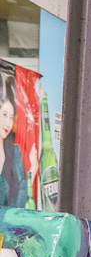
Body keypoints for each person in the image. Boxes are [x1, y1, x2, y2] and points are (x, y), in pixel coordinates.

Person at [0, 79, 36, 208]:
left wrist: (33, 169)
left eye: (11, 117)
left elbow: (19, 203)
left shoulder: (14, 152)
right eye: (4, 114)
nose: (8, 123)